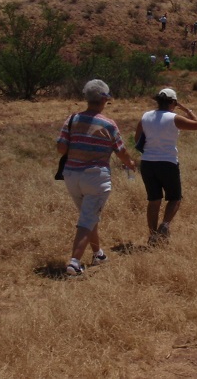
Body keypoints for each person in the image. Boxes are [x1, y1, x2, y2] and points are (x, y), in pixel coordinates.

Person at [56, 80, 136, 276]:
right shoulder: (108, 124)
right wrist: (130, 164)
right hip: (95, 177)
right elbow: (121, 151)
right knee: (87, 219)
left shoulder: (72, 119)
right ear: (104, 99)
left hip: (71, 175)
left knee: (88, 216)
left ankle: (98, 254)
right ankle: (74, 263)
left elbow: (61, 148)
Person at [135, 88, 197, 245]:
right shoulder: (174, 118)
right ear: (173, 102)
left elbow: (137, 139)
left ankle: (152, 235)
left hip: (147, 163)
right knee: (175, 197)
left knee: (154, 200)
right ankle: (164, 226)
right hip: (167, 162)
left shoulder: (145, 116)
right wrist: (186, 110)